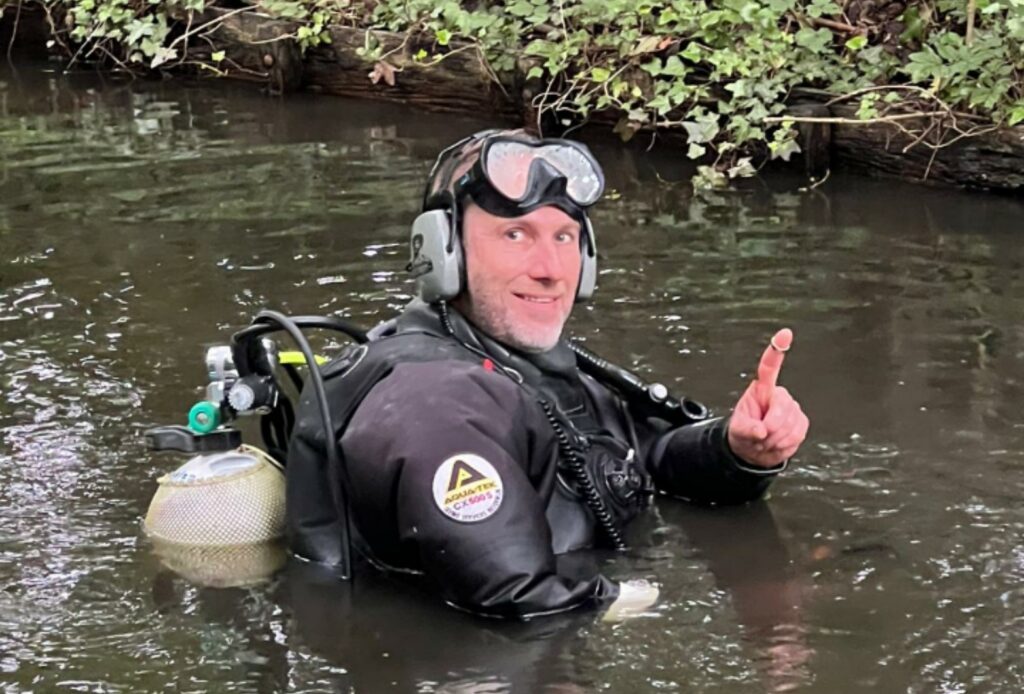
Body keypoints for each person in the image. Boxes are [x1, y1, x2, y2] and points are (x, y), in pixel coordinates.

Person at [285, 129, 810, 619]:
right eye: (516, 234)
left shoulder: (533, 362)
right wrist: (688, 603)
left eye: (563, 237)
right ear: (445, 251)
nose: (550, 268)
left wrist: (738, 452)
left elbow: (634, 460)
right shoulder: (436, 404)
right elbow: (514, 595)